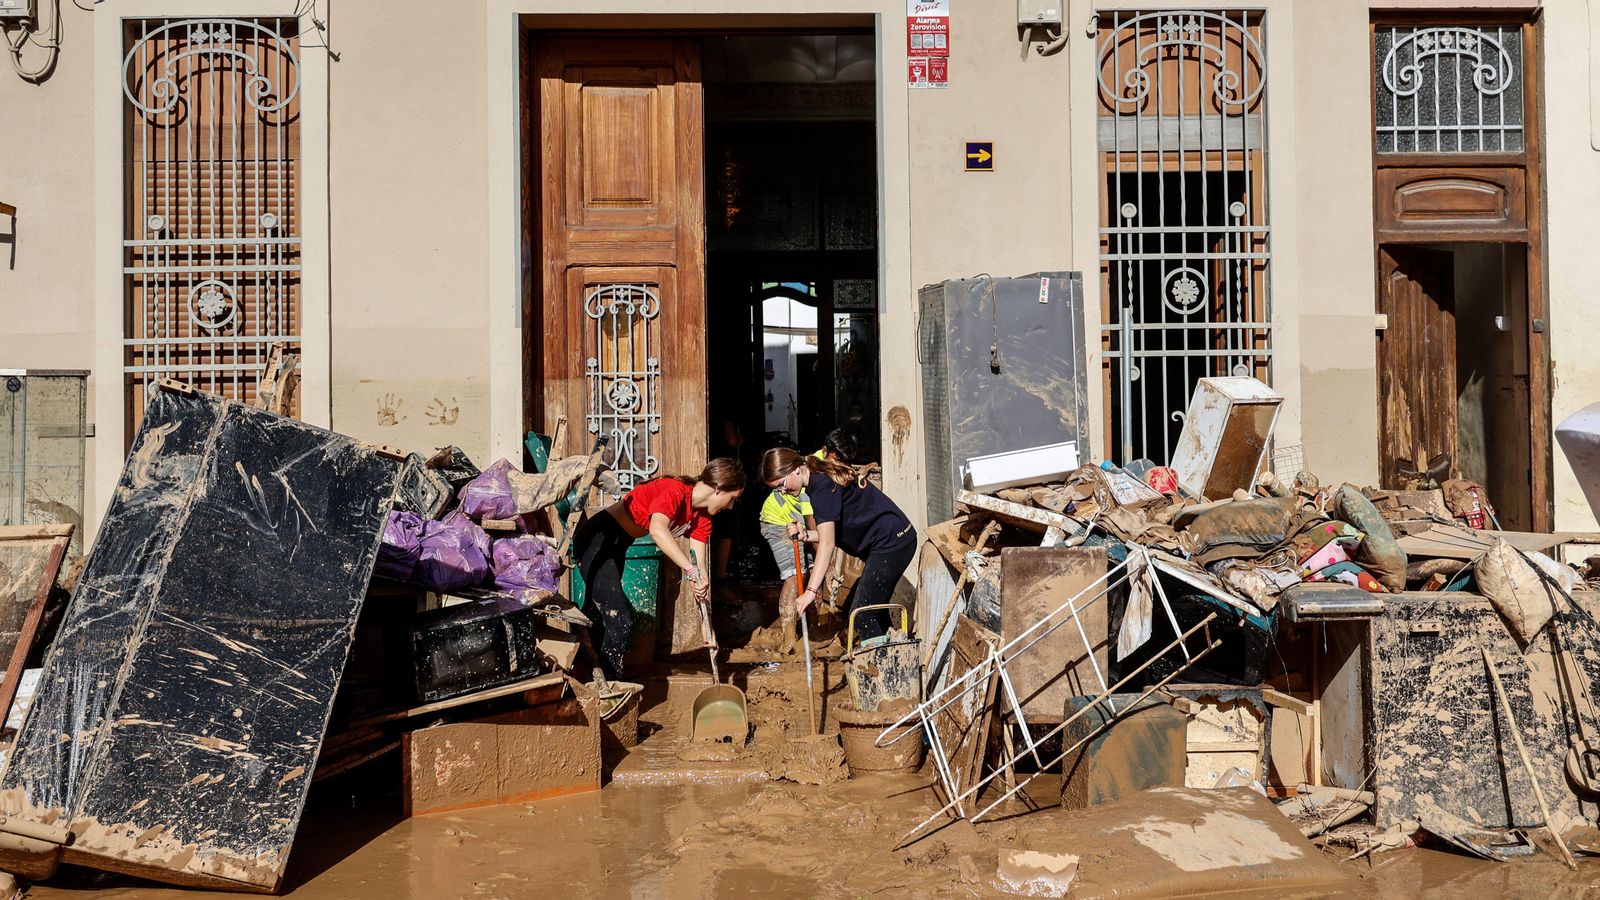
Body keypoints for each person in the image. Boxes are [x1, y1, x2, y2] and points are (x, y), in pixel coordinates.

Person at [574, 459, 745, 679]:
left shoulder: (703, 519)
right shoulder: (674, 490)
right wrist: (690, 571)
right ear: (719, 488)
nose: (730, 506)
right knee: (618, 621)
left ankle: (588, 679)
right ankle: (609, 689)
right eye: (732, 499)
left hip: (619, 545)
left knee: (598, 615)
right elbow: (657, 530)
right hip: (597, 540)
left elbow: (698, 571)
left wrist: (707, 624)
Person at [760, 447, 916, 644]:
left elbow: (827, 543)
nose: (783, 491)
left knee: (862, 616)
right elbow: (828, 534)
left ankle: (884, 668)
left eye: (782, 484)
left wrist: (810, 591)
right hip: (890, 540)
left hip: (892, 542)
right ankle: (891, 658)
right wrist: (805, 534)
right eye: (777, 489)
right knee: (873, 611)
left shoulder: (821, 488)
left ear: (795, 469)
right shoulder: (817, 479)